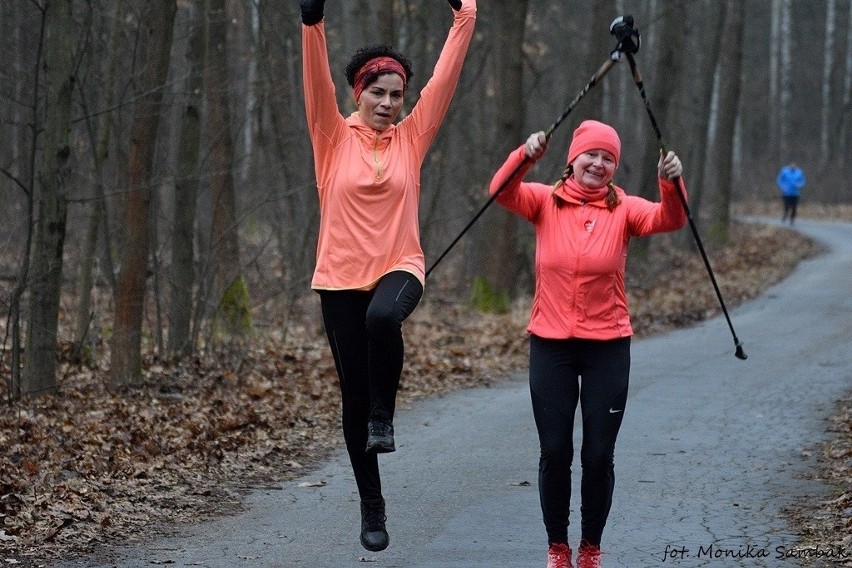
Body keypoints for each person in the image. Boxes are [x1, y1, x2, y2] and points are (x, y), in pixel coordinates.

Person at [298, 0, 476, 553]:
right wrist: (312, 24)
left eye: (397, 95)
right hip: (339, 277)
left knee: (383, 317)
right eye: (379, 93)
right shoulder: (332, 138)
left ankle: (385, 414)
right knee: (350, 395)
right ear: (359, 93)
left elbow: (446, 78)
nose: (389, 103)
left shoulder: (412, 137)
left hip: (401, 266)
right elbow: (315, 82)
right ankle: (371, 504)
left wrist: (465, 13)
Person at [489, 120, 687, 568]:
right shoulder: (544, 200)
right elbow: (500, 190)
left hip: (607, 346)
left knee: (598, 454)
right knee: (555, 450)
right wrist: (525, 155)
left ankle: (591, 548)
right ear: (573, 158)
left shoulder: (625, 210)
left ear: (614, 167)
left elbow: (670, 218)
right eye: (591, 155)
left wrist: (670, 182)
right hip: (551, 344)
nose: (598, 164)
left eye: (608, 158)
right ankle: (558, 547)